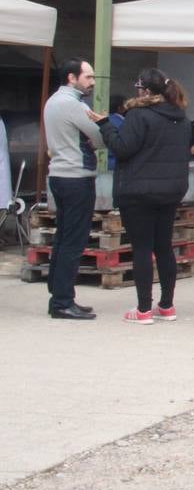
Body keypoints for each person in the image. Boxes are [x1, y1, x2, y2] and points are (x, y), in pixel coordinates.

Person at [93, 67, 191, 324]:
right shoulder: (180, 116)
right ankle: (166, 306)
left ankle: (144, 310)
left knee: (142, 248)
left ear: (145, 91)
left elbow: (122, 149)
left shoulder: (139, 115)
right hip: (170, 191)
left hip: (139, 191)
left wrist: (105, 125)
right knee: (164, 247)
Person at [42, 57, 104, 320]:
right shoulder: (73, 105)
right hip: (77, 177)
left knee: (63, 237)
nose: (91, 82)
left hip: (59, 174)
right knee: (74, 240)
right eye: (88, 77)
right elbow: (101, 135)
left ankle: (58, 293)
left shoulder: (53, 101)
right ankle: (63, 301)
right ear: (71, 77)